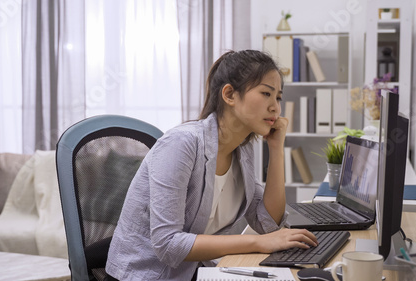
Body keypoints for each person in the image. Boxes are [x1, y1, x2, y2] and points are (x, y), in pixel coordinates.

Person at [105, 49, 318, 280]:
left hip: (201, 271)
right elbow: (168, 244)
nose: (276, 107)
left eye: (278, 97)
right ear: (229, 95)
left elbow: (267, 224)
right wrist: (258, 242)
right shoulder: (181, 144)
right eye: (266, 93)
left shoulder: (242, 148)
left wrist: (276, 151)